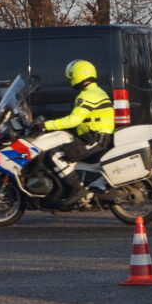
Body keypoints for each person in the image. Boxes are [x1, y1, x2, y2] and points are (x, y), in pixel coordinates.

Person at [40, 59, 115, 203]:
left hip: (94, 139)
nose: (71, 81)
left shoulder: (86, 95)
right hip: (96, 137)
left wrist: (45, 125)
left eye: (71, 77)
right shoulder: (96, 92)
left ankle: (76, 189)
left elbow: (73, 120)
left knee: (55, 155)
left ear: (77, 76)